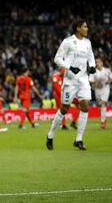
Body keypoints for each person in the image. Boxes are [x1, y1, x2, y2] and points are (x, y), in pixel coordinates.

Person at [46, 20, 96, 150]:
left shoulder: (87, 42)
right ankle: (50, 134)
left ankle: (78, 139)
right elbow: (57, 58)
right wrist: (70, 67)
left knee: (85, 106)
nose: (87, 28)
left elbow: (91, 57)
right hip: (70, 81)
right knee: (64, 108)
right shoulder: (67, 41)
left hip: (83, 79)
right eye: (85, 26)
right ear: (78, 28)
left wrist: (92, 66)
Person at [89, 57, 112, 129]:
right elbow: (90, 80)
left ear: (102, 63)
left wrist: (109, 81)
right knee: (100, 105)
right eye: (96, 62)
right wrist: (96, 81)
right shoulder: (94, 71)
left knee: (103, 103)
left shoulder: (107, 70)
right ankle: (103, 118)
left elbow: (111, 78)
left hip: (105, 88)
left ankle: (102, 121)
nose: (97, 63)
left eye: (98, 62)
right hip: (97, 90)